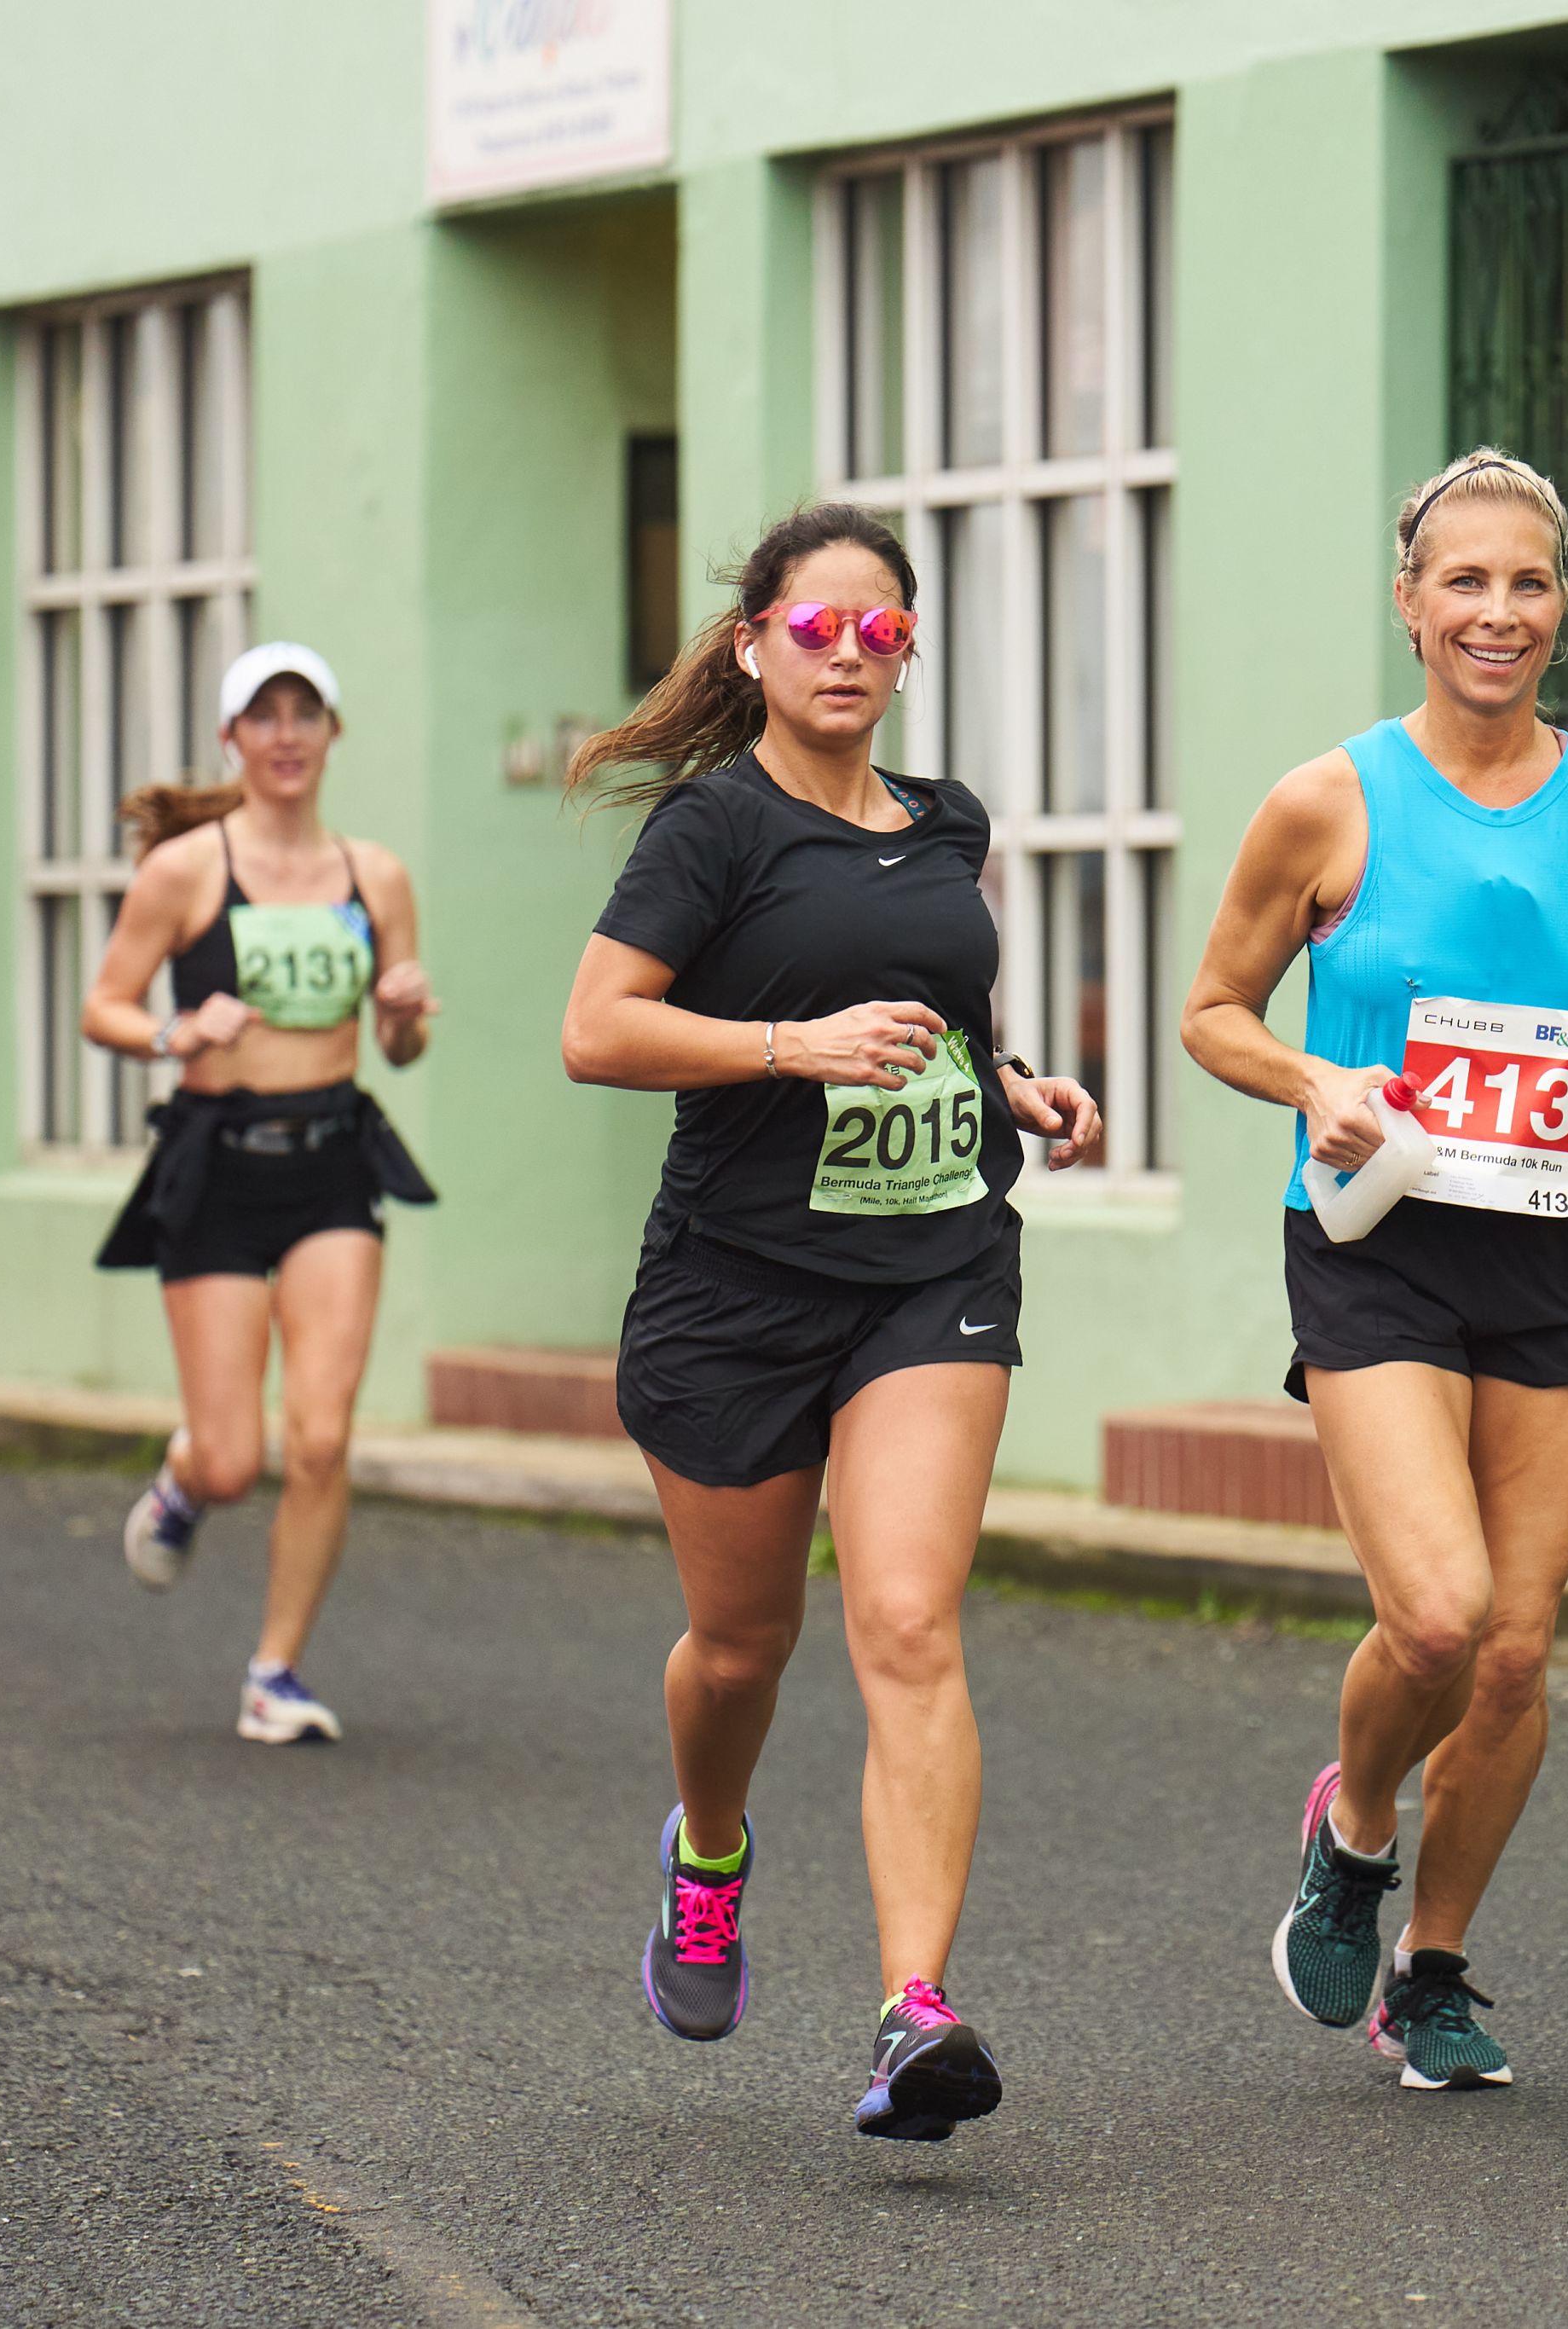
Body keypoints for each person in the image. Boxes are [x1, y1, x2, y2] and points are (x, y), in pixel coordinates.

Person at [1179, 449, 1568, 2090]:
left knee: (1516, 1647)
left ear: (1559, 608)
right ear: (1409, 603)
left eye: (1527, 584)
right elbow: (1212, 1010)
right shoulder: (1329, 800)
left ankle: (1430, 1969)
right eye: (1465, 582)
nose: (1496, 612)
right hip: (1377, 1233)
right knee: (1432, 1618)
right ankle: (1354, 1825)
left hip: (1554, 1241)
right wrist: (1319, 1083)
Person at [558, 504, 1101, 2142]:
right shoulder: (710, 835)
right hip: (738, 1291)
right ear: (755, 648)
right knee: (743, 1647)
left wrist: (1009, 1086)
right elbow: (597, 1032)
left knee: (910, 1623)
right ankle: (709, 1851)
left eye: (882, 629)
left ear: (911, 647)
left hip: (933, 1269)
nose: (851, 652)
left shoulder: (947, 822)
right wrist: (790, 1048)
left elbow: (941, 1013)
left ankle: (913, 2010)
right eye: (817, 628)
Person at [86, 642, 439, 1745]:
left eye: (307, 714)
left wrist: (402, 1012)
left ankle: (275, 1671)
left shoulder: (374, 875)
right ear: (232, 738)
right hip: (218, 1163)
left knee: (323, 1437)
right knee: (237, 1454)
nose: (287, 735)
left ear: (333, 733)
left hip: (333, 1157)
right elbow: (104, 1004)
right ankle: (188, 1484)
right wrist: (175, 1032)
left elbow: (401, 1045)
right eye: (264, 716)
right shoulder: (188, 870)